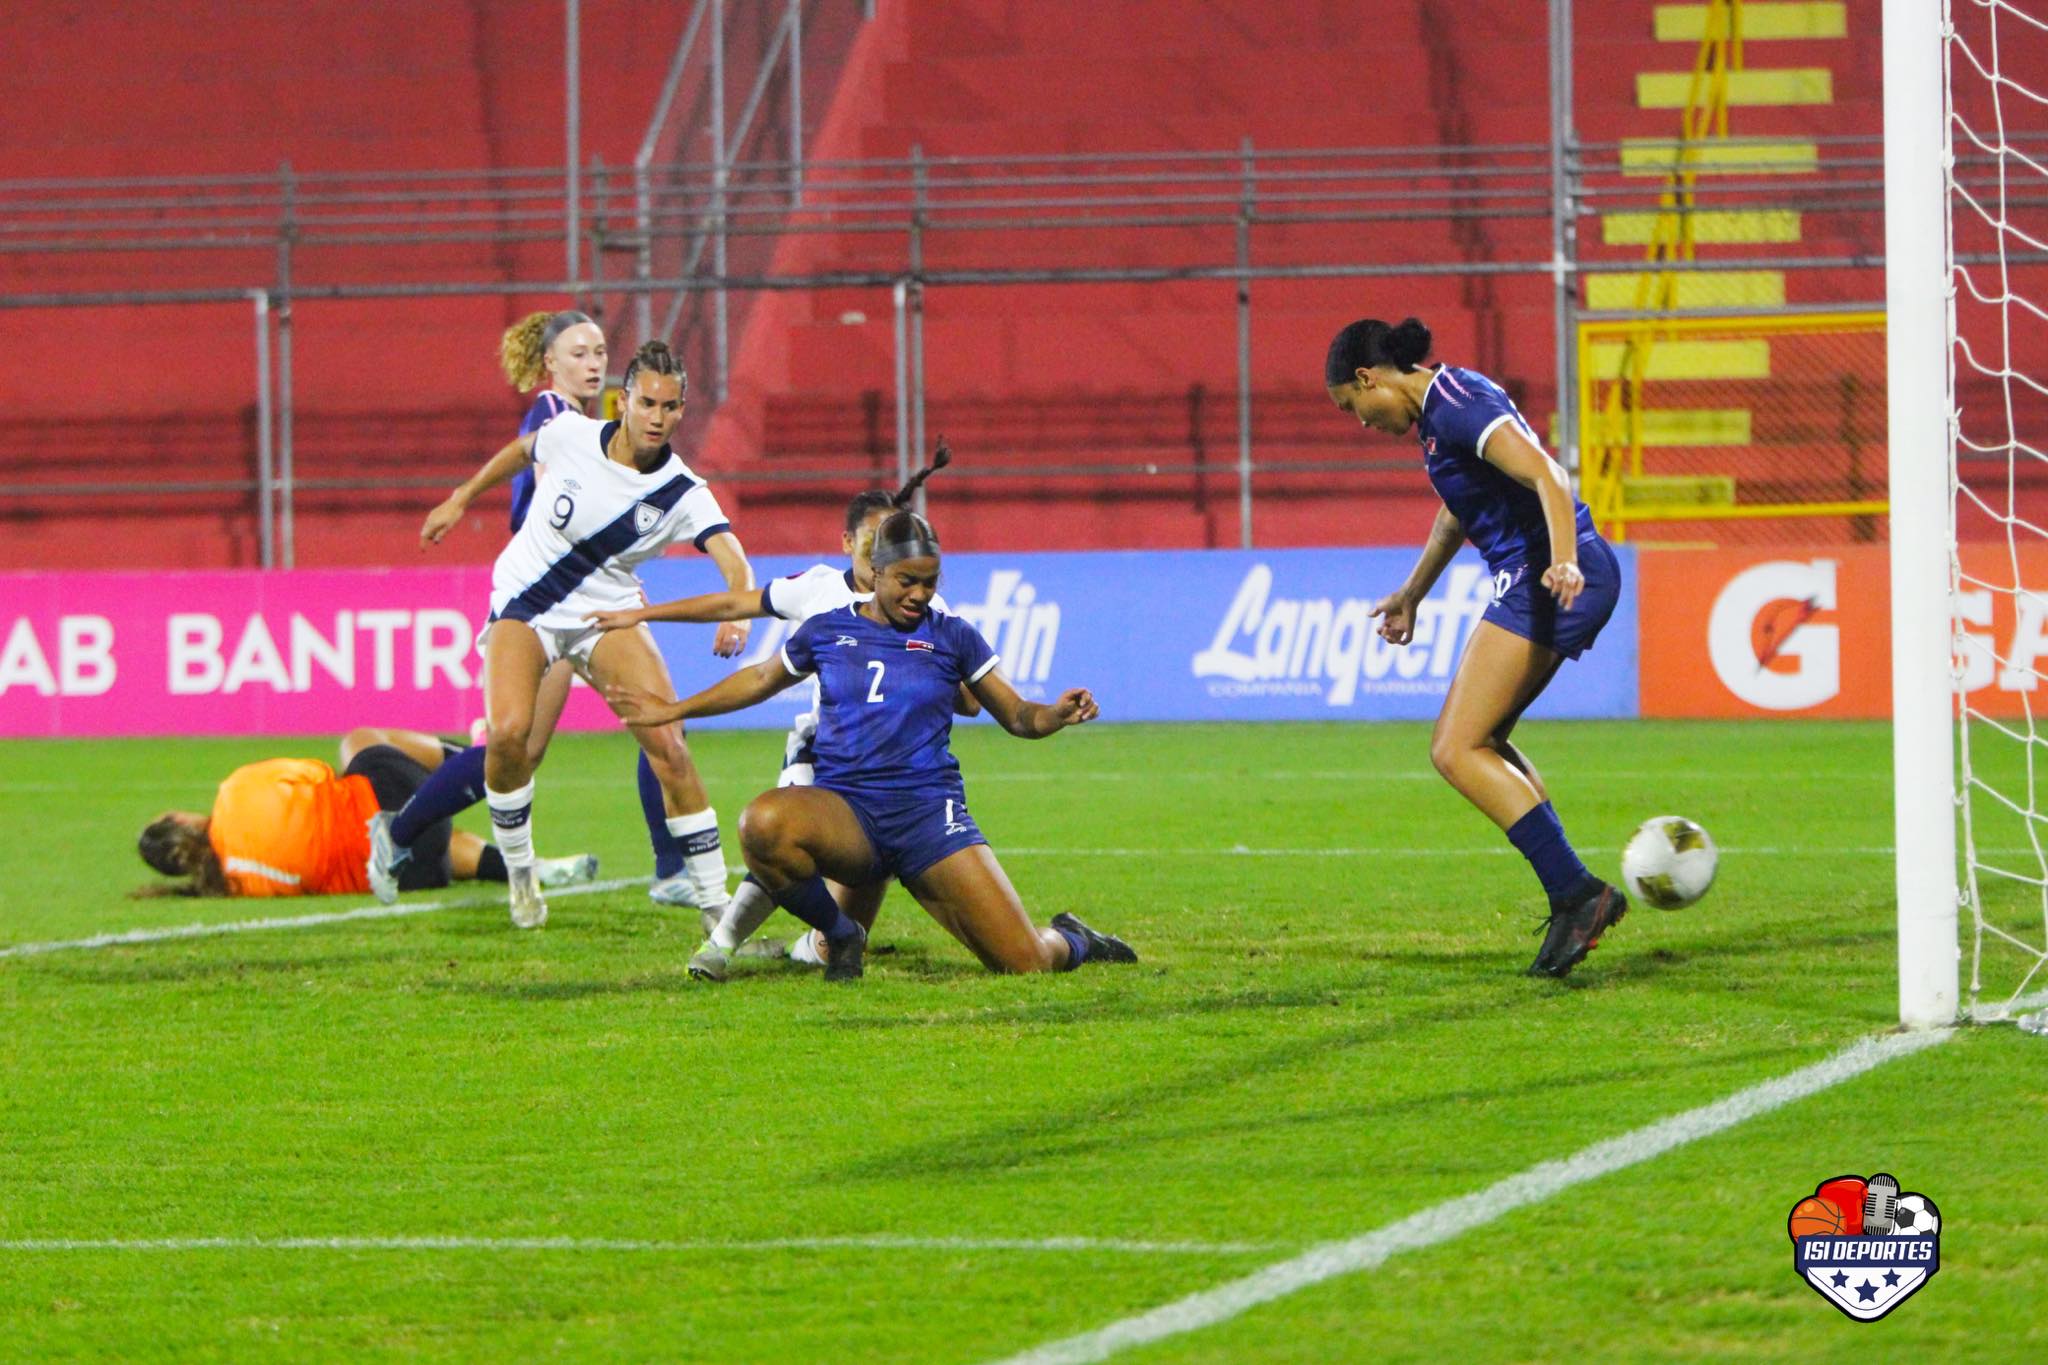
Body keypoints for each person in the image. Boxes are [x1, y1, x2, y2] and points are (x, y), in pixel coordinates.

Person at [605, 509, 1137, 981]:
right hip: (848, 816)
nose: (919, 595)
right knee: (763, 824)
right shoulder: (827, 630)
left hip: (928, 818)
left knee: (1026, 963)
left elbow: (1017, 715)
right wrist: (674, 709)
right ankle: (841, 933)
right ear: (875, 572)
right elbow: (760, 679)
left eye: (929, 583)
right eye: (907, 581)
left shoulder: (952, 635)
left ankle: (1073, 938)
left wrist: (1055, 715)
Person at [367, 311, 741, 913]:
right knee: (514, 741)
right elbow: (538, 470)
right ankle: (427, 840)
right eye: (580, 353)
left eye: (599, 352)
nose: (593, 362)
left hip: (596, 605)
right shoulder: (560, 421)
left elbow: (718, 550)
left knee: (661, 736)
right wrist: (461, 499)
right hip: (537, 597)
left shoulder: (657, 471)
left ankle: (691, 883)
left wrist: (729, 606)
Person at [587, 449, 970, 979]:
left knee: (834, 916)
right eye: (871, 543)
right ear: (849, 543)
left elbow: (968, 698)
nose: (880, 555)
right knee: (776, 835)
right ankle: (723, 944)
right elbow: (733, 605)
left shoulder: (928, 612)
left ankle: (816, 941)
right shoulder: (818, 588)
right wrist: (642, 613)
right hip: (823, 750)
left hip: (895, 772)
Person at [1324, 315, 1627, 978]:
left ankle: (1577, 893)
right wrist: (1413, 593)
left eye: (1352, 407)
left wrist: (1565, 559)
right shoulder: (1442, 413)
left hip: (1548, 571)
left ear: (1368, 378)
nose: (1361, 422)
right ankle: (1572, 890)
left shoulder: (1456, 405)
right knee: (1481, 742)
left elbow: (1548, 474)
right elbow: (1458, 513)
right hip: (1536, 571)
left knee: (1455, 748)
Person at [135, 726, 595, 899]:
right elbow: (317, 774)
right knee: (358, 741)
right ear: (180, 821)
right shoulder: (233, 792)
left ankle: (531, 870)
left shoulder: (231, 887)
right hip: (391, 802)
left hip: (403, 875)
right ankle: (473, 758)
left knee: (439, 845)